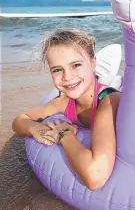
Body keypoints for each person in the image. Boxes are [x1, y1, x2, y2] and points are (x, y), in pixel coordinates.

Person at [12, 28, 120, 191]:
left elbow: (95, 178)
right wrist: (36, 128)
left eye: (75, 65)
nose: (67, 77)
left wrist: (64, 135)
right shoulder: (64, 102)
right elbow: (19, 120)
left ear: (93, 62)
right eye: (57, 69)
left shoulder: (110, 101)